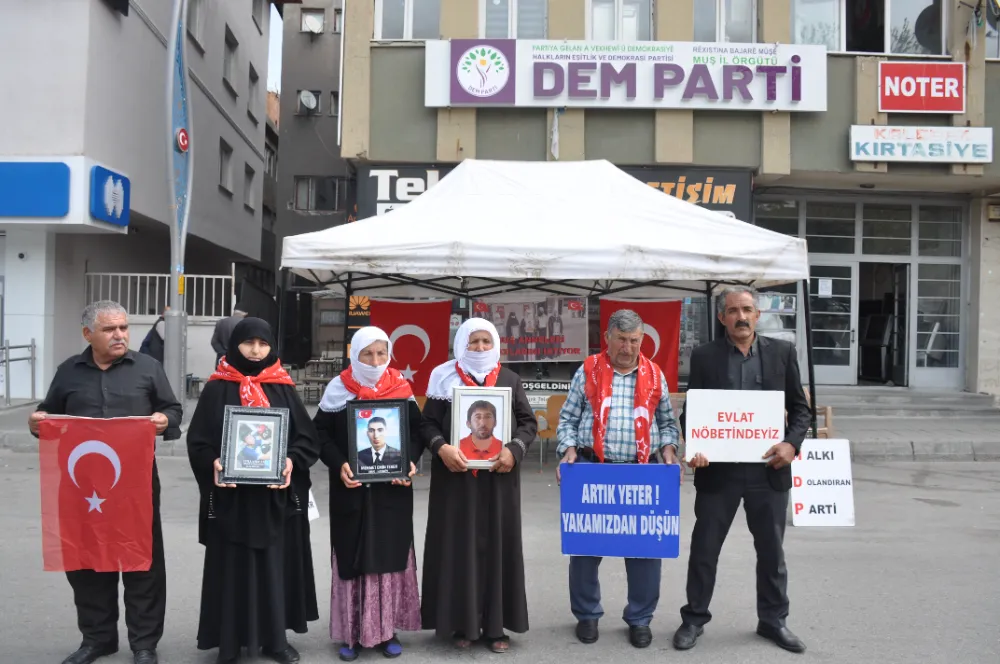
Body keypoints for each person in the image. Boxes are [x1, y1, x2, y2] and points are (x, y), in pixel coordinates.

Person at [28, 300, 182, 664]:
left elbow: (174, 410)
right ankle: (97, 639)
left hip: (135, 487)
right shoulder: (69, 372)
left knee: (142, 563)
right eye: (109, 329)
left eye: (123, 328)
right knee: (87, 562)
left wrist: (165, 420)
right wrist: (36, 423)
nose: (119, 335)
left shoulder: (148, 368)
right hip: (81, 490)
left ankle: (144, 643)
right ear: (88, 334)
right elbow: (49, 415)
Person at [672, 286, 810, 654]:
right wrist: (696, 445)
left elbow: (801, 409)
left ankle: (773, 620)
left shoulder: (782, 353)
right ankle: (694, 618)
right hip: (720, 471)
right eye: (733, 311)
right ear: (722, 318)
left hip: (769, 469)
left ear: (757, 315)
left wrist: (791, 444)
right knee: (704, 549)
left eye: (747, 309)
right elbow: (693, 411)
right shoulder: (705, 356)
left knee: (771, 552)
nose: (741, 317)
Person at [186, 318, 320, 664]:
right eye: (249, 343)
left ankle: (276, 641)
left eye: (263, 344)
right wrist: (214, 462)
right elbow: (198, 441)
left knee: (274, 567)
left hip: (273, 499)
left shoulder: (282, 385)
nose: (256, 351)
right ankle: (229, 643)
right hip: (232, 499)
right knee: (232, 568)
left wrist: (290, 461)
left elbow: (307, 439)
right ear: (235, 345)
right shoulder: (217, 387)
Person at [555, 309, 681, 649]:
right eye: (622, 340)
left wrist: (669, 449)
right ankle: (587, 615)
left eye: (634, 341)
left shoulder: (654, 374)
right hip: (591, 469)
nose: (628, 347)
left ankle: (640, 618)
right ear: (607, 338)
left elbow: (667, 423)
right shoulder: (588, 370)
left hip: (642, 473)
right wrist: (568, 450)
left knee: (645, 552)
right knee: (585, 549)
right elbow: (567, 419)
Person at [420, 318, 537, 653]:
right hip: (456, 481)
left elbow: (528, 422)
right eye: (474, 341)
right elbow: (426, 424)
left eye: (487, 341)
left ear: (495, 344)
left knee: (499, 547)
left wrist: (514, 450)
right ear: (462, 344)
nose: (481, 347)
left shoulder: (509, 379)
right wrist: (441, 447)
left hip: (499, 479)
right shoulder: (443, 377)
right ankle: (462, 624)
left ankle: (496, 626)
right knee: (459, 548)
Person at [313, 326, 423, 661]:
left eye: (381, 353)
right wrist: (339, 464)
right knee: (353, 556)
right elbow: (319, 434)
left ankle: (388, 631)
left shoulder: (401, 388)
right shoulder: (338, 389)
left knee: (388, 554)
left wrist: (410, 461)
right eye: (367, 354)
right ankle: (351, 633)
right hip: (351, 491)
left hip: (392, 493)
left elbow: (417, 433)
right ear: (355, 355)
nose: (375, 361)